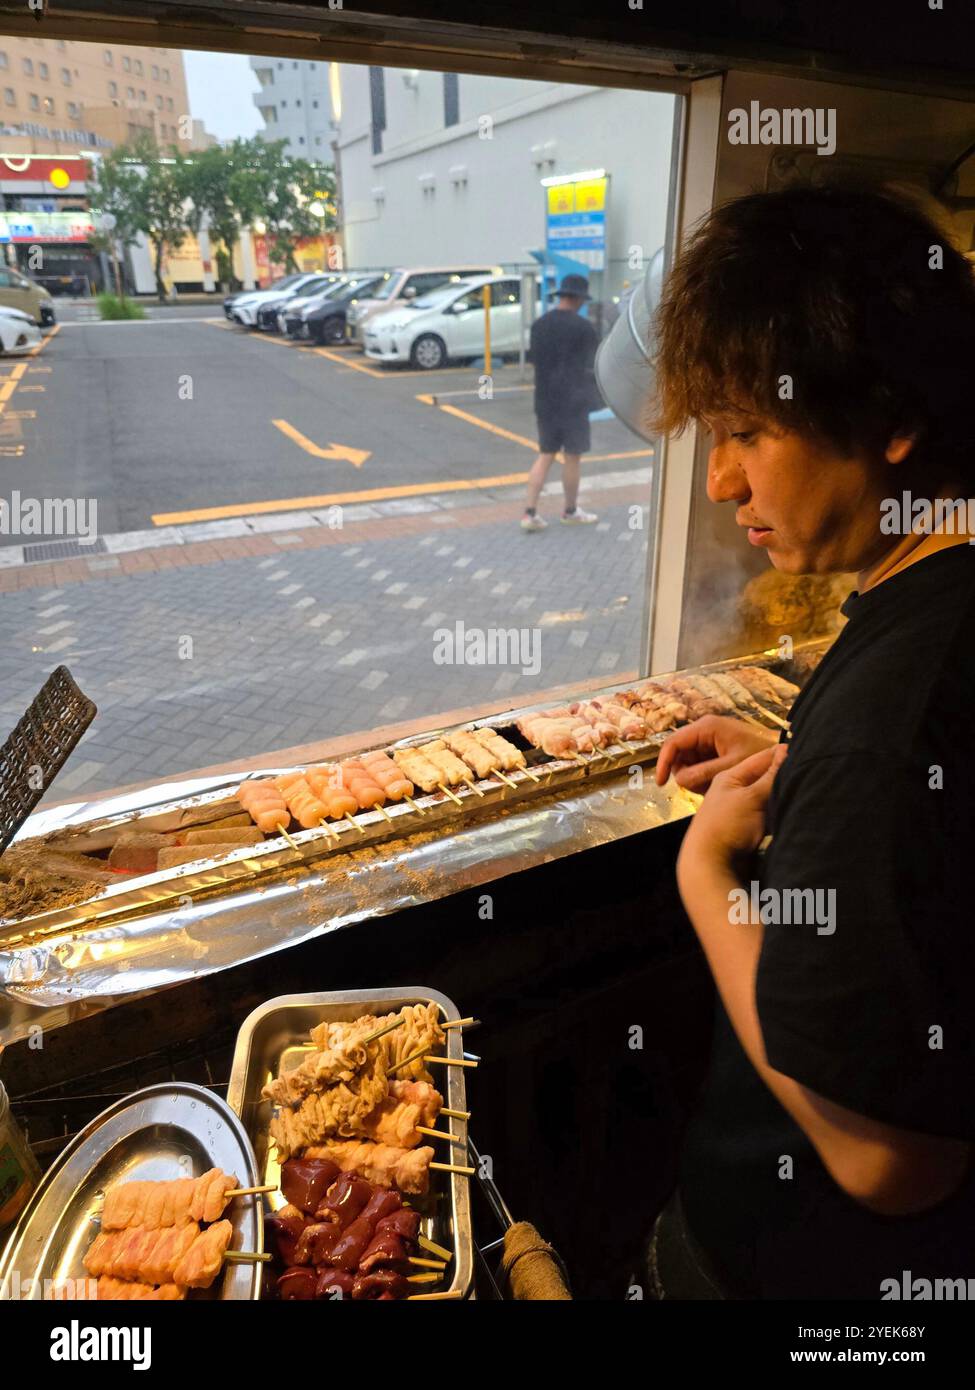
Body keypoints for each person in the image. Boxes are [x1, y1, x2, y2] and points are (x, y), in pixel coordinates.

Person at [646, 183, 975, 1299]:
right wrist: (807, 762)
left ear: (891, 416)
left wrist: (704, 873)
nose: (719, 481)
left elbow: (892, 1161)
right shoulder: (938, 588)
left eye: (747, 431)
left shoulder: (888, 726)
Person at [521, 272, 600, 532]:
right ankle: (570, 510)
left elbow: (535, 361)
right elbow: (593, 365)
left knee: (545, 454)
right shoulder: (584, 328)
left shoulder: (539, 325)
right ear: (578, 298)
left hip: (545, 401)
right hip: (574, 402)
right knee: (572, 457)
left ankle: (529, 513)